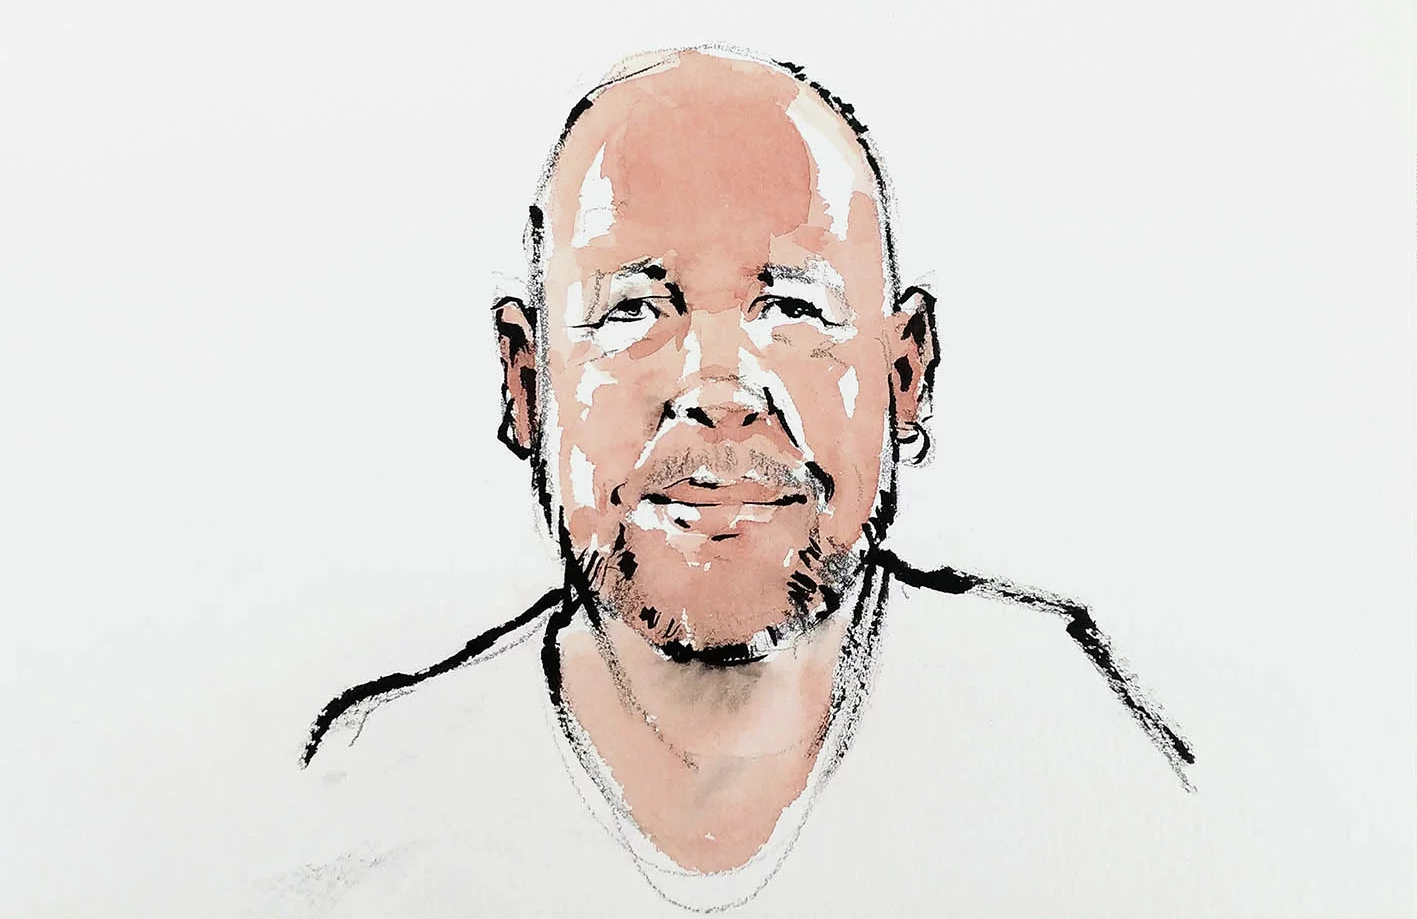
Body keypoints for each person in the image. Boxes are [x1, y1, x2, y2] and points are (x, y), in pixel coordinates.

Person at [293, 46, 1196, 914]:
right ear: (526, 384)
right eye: (632, 309)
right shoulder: (382, 788)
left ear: (905, 374)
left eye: (793, 306)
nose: (719, 389)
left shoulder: (1046, 717)